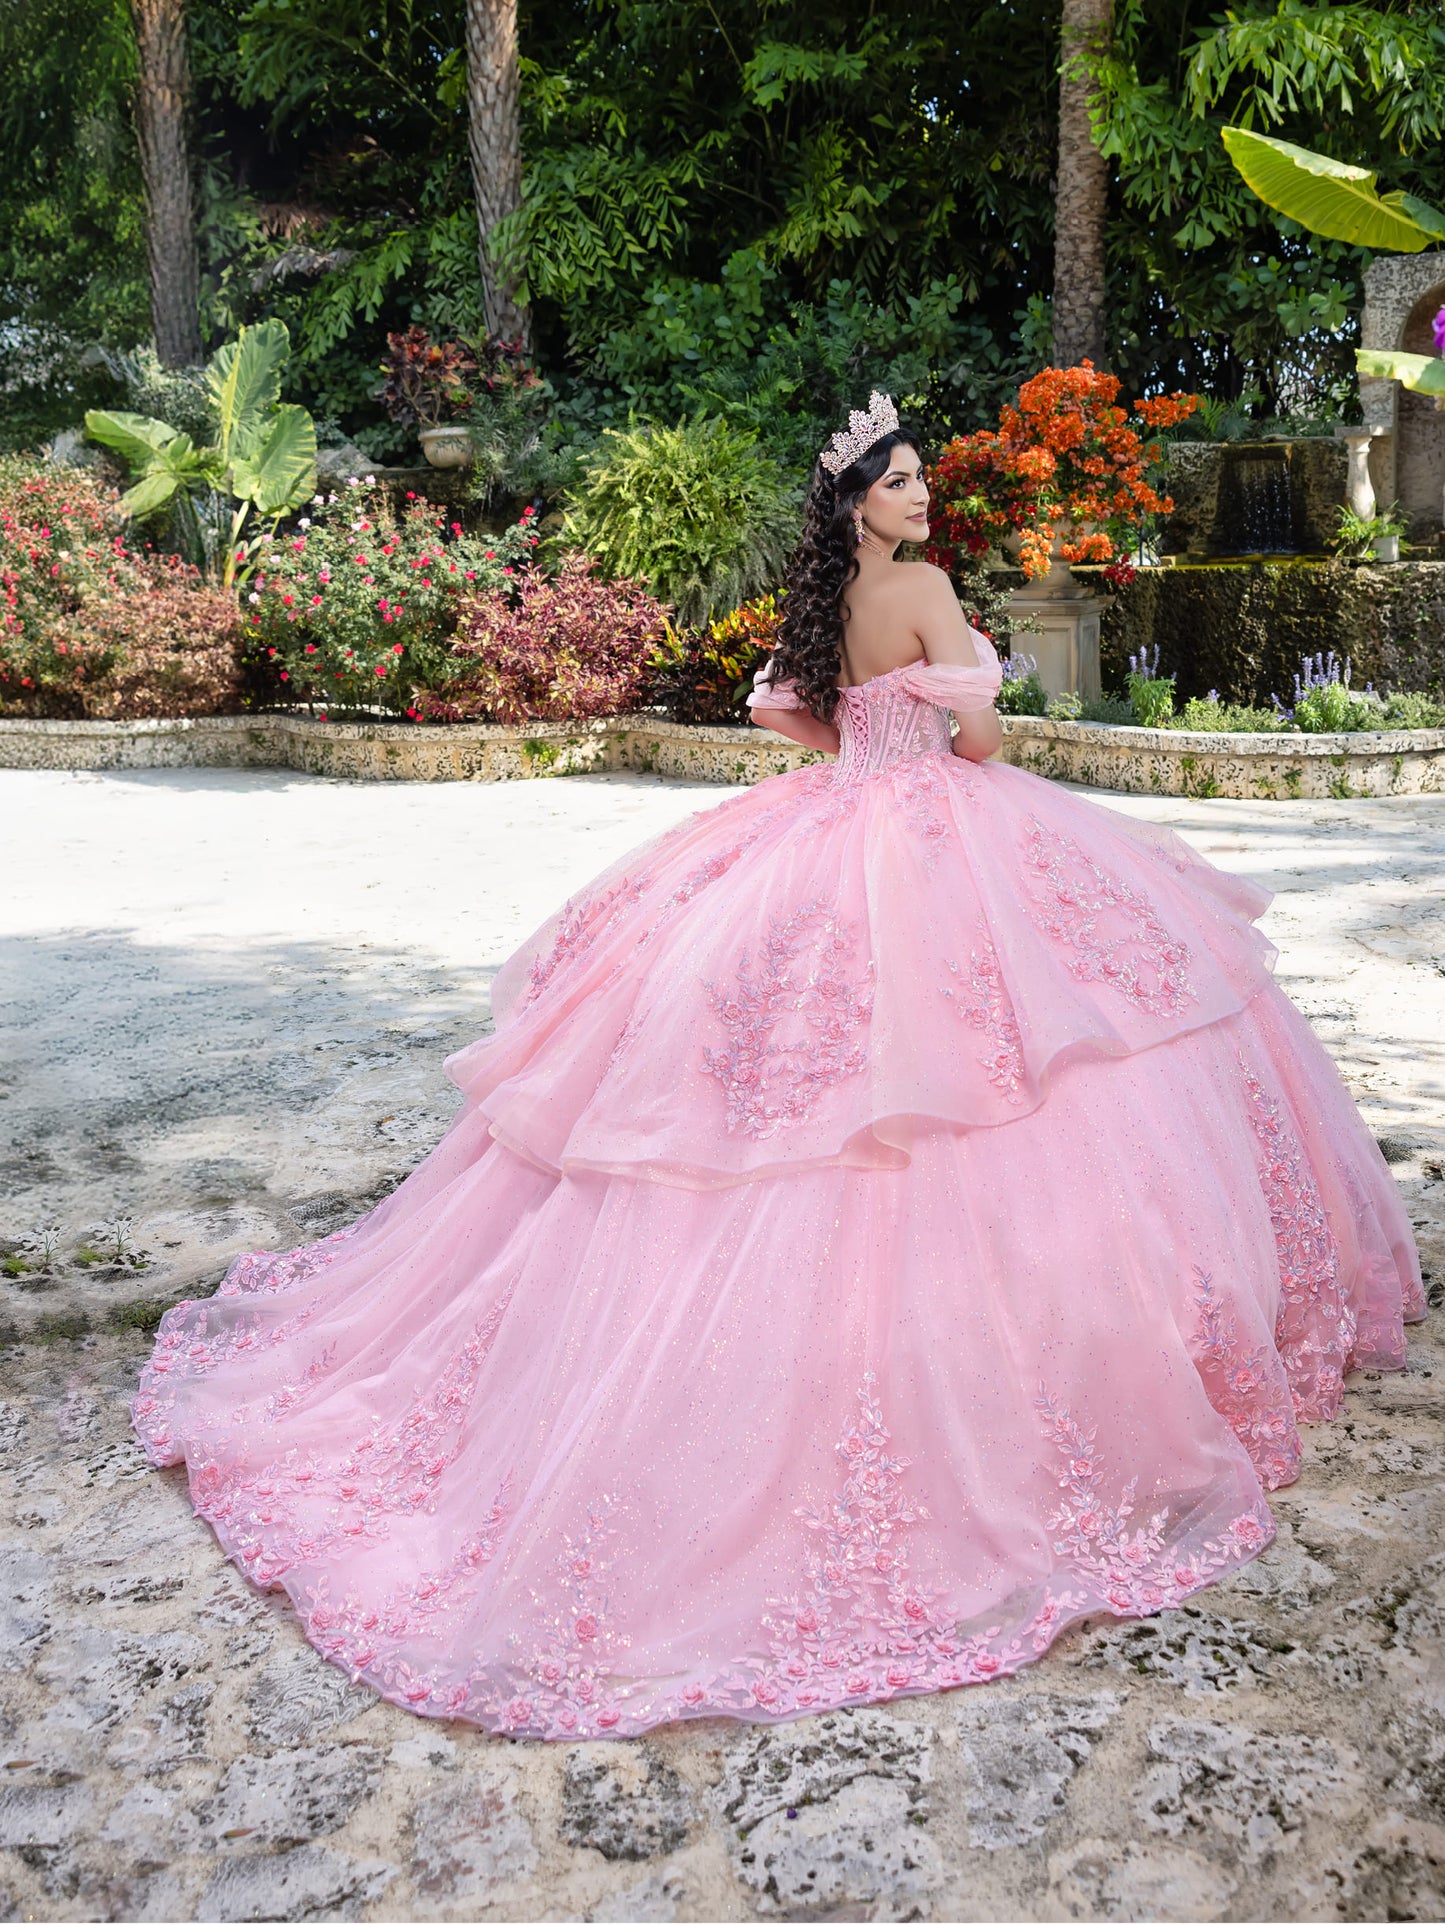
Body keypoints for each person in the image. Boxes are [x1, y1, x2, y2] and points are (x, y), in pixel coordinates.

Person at [134, 391, 1423, 1742]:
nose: (922, 497)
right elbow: (982, 744)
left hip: (835, 816)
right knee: (1012, 1051)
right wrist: (938, 727)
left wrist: (872, 745)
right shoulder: (925, 588)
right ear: (860, 500)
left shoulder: (823, 603)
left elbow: (800, 721)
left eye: (919, 480)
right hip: (935, 820)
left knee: (777, 1072)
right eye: (903, 480)